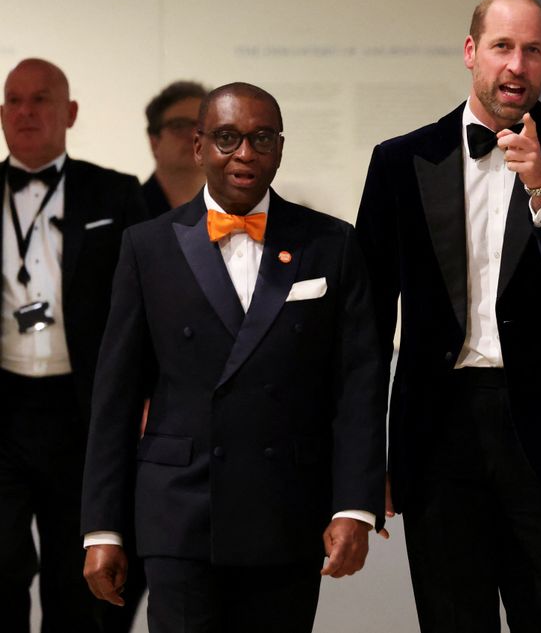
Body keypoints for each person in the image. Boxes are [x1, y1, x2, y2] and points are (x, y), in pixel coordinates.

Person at [356, 0, 541, 633]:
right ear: (472, 52)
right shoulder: (400, 160)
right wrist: (366, 459)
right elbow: (364, 321)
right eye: (503, 46)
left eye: (533, 51)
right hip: (435, 430)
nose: (517, 65)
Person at [80, 82, 386, 633]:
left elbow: (359, 384)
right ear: (199, 147)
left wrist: (353, 506)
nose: (245, 153)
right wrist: (102, 528)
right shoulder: (146, 247)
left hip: (286, 510)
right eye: (227, 138)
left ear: (280, 148)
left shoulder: (331, 243)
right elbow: (115, 397)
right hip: (180, 511)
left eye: (261, 138)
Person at [0, 58, 146, 633]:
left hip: (83, 411)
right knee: (1, 563)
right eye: (13, 100)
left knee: (76, 573)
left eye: (40, 99)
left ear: (70, 112)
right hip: (4, 409)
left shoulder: (114, 193)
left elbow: (144, 306)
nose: (26, 112)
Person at [142, 80, 208, 216]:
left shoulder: (243, 214)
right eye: (179, 126)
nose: (194, 135)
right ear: (154, 142)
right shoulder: (127, 214)